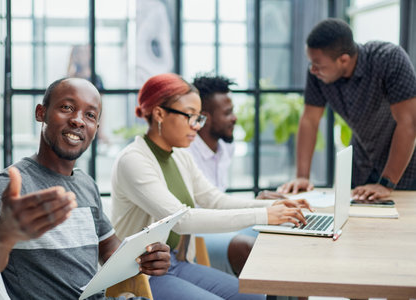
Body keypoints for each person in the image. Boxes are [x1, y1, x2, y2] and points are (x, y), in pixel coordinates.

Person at [111, 73, 312, 300]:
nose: (197, 126)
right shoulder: (134, 160)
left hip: (176, 263)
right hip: (143, 274)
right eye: (190, 116)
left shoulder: (180, 156)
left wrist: (274, 205)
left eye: (199, 118)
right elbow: (182, 220)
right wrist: (264, 214)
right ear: (159, 113)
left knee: (256, 297)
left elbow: (215, 200)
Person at [0, 78, 170, 300]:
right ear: (41, 113)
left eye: (90, 115)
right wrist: (3, 233)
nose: (78, 121)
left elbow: (110, 247)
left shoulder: (86, 184)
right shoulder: (11, 183)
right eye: (67, 108)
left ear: (95, 129)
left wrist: (146, 257)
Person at [278, 18, 416, 200]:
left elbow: (409, 122)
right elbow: (310, 120)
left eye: (318, 65)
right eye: (311, 63)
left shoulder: (388, 59)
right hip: (361, 166)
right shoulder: (317, 73)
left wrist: (386, 183)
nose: (313, 70)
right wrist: (302, 176)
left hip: (403, 167)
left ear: (343, 60)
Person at [188, 74, 284, 276]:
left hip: (222, 222)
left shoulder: (225, 147)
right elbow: (199, 213)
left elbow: (219, 200)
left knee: (282, 225)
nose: (235, 118)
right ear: (205, 117)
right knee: (246, 247)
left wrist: (257, 203)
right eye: (228, 113)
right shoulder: (187, 152)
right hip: (196, 232)